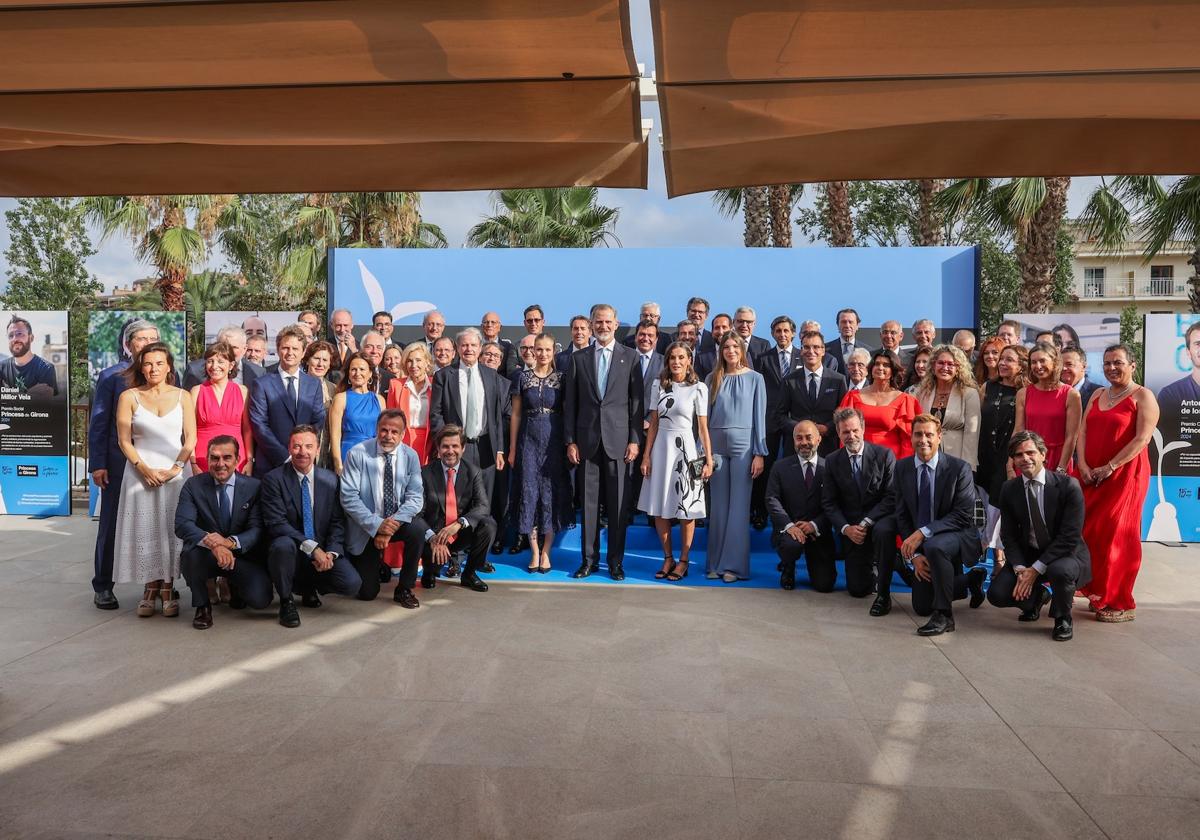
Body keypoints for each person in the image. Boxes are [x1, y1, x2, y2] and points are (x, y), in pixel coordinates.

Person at [881, 414, 986, 635]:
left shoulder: (959, 468)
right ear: (911, 437)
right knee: (921, 606)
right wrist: (914, 555)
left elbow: (962, 515)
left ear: (939, 437)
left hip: (956, 534)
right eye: (918, 434)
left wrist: (923, 533)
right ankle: (970, 580)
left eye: (929, 434)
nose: (923, 440)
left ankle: (944, 616)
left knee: (935, 546)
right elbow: (902, 514)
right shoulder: (902, 468)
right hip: (925, 543)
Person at [112, 342, 196, 618]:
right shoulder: (129, 396)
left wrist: (175, 469)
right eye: (148, 363)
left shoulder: (183, 396)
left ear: (169, 366)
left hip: (175, 474)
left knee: (171, 529)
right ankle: (150, 588)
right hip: (139, 474)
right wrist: (143, 469)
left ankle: (168, 587)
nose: (153, 368)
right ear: (141, 367)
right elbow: (124, 440)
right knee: (146, 530)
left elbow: (190, 439)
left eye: (159, 363)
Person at [1077, 344, 1158, 622]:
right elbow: (1082, 432)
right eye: (1107, 363)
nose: (1111, 368)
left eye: (1118, 363)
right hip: (1091, 475)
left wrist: (1111, 466)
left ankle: (1121, 601)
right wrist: (1083, 465)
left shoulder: (1143, 396)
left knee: (1118, 535)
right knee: (1092, 533)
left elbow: (1142, 439)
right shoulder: (1097, 394)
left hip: (1125, 476)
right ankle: (1100, 592)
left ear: (1132, 365)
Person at [564, 303, 644, 580]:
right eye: (598, 322)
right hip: (586, 443)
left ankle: (615, 562)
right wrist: (571, 441)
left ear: (616, 324)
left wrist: (635, 440)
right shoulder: (579, 358)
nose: (603, 326)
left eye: (608, 322)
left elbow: (636, 404)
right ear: (591, 324)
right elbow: (570, 404)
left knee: (618, 506)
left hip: (619, 443)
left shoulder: (630, 357)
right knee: (588, 507)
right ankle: (588, 561)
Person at [988, 431, 1091, 641]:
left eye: (1030, 452)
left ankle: (1063, 618)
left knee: (1059, 570)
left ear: (1043, 454)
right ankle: (1036, 599)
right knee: (997, 594)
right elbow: (1008, 535)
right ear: (1013, 460)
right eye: (1019, 455)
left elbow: (1069, 537)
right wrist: (1020, 569)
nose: (1025, 458)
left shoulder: (1068, 486)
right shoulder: (1009, 489)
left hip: (1065, 554)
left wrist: (1036, 569)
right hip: (1028, 555)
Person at [89, 318, 160, 610]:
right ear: (128, 344)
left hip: (156, 462)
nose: (147, 344)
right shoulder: (111, 376)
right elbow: (99, 422)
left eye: (153, 338)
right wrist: (98, 463)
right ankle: (103, 586)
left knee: (156, 524)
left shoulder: (169, 373)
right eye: (141, 339)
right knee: (110, 526)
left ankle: (156, 585)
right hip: (119, 464)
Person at [261, 425, 358, 626]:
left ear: (318, 449)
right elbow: (276, 524)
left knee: (352, 583)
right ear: (289, 448)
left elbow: (337, 522)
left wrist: (331, 553)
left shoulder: (330, 480)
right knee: (282, 545)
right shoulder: (273, 479)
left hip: (321, 551)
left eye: (308, 446)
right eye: (296, 446)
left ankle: (308, 586)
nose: (302, 452)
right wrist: (312, 548)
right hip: (291, 551)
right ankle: (286, 601)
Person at [176, 435, 273, 629]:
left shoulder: (254, 487)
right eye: (214, 458)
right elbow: (182, 524)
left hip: (240, 556)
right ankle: (202, 606)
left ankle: (234, 585)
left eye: (227, 457)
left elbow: (257, 529)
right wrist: (213, 544)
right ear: (207, 459)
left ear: (237, 460)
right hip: (206, 555)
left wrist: (229, 543)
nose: (220, 464)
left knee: (260, 600)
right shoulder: (193, 485)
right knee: (189, 555)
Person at [339, 410, 430, 608]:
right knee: (367, 593)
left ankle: (405, 588)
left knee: (418, 529)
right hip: (366, 527)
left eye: (394, 432)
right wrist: (378, 525)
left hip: (396, 522)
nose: (388, 436)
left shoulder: (410, 456)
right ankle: (378, 564)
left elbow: (415, 498)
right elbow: (348, 498)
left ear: (403, 434)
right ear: (376, 429)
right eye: (384, 430)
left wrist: (389, 527)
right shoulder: (357, 453)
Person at [638, 342, 712, 581]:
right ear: (667, 361)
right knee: (660, 506)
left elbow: (702, 428)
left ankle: (684, 560)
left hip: (687, 451)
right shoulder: (658, 385)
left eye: (681, 357)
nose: (676, 362)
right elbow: (654, 423)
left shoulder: (699, 387)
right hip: (661, 450)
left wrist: (708, 459)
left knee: (687, 507)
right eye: (672, 357)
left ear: (689, 361)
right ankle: (668, 557)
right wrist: (646, 455)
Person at [507, 333, 576, 573]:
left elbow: (567, 412)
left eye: (547, 350)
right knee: (529, 493)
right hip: (528, 441)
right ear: (532, 351)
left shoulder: (562, 378)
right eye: (539, 349)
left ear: (553, 351)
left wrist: (569, 443)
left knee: (550, 494)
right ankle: (534, 551)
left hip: (554, 442)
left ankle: (546, 552)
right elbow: (516, 414)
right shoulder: (522, 378)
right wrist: (513, 448)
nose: (543, 354)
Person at [706, 333, 767, 582]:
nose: (730, 350)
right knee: (718, 507)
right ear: (721, 351)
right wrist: (705, 453)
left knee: (739, 507)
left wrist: (759, 453)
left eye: (734, 346)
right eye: (726, 347)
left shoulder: (756, 379)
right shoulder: (712, 378)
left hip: (744, 446)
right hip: (716, 446)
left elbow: (760, 418)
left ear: (742, 350)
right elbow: (704, 419)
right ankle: (715, 563)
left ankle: (734, 567)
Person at [822, 408, 896, 601]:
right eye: (845, 432)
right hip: (852, 530)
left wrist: (867, 521)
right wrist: (846, 529)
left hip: (877, 523)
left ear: (863, 428)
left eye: (855, 430)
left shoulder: (884, 455)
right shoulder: (832, 461)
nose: (851, 436)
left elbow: (891, 497)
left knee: (883, 531)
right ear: (838, 433)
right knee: (858, 589)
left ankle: (892, 560)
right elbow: (829, 503)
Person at [417, 424, 495, 592]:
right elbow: (418, 514)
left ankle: (469, 574)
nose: (450, 451)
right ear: (438, 449)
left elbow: (483, 506)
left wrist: (459, 524)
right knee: (427, 554)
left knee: (489, 525)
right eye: (445, 446)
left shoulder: (473, 472)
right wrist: (433, 538)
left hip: (459, 533)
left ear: (463, 448)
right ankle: (429, 571)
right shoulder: (425, 473)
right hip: (433, 536)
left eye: (455, 446)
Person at [430, 327, 508, 498]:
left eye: (473, 345)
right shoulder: (444, 376)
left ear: (480, 348)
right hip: (456, 446)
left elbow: (496, 416)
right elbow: (436, 413)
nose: (469, 349)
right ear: (457, 348)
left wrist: (500, 449)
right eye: (464, 345)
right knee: (458, 498)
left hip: (486, 446)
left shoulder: (491, 376)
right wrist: (444, 443)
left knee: (484, 499)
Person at [248, 325, 326, 477]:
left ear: (303, 352)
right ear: (278, 350)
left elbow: (318, 419)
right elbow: (259, 425)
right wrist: (285, 457)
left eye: (295, 349)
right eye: (285, 348)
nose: (290, 353)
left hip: (304, 462)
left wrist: (301, 452)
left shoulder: (313, 384)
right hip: (270, 465)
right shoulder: (261, 384)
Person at [765, 421, 835, 591]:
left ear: (818, 439)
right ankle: (788, 566)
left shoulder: (830, 468)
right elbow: (771, 499)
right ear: (793, 441)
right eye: (799, 438)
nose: (804, 442)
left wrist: (814, 525)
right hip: (790, 529)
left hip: (818, 531)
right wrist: (790, 526)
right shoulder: (780, 467)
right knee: (791, 545)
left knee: (824, 585)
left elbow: (834, 503)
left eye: (809, 437)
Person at [977, 344, 1028, 564]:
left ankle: (999, 557)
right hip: (984, 454)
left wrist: (1011, 460)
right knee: (983, 503)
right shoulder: (987, 386)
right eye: (1002, 359)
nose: (1002, 363)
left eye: (1009, 360)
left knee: (999, 506)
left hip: (1007, 457)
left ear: (1021, 365)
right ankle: (984, 554)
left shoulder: (1025, 391)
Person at [753, 315, 803, 528]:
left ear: (793, 333)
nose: (782, 334)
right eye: (778, 331)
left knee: (793, 467)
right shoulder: (763, 358)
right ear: (772, 334)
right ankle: (760, 511)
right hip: (769, 420)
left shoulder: (803, 356)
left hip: (794, 420)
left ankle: (791, 513)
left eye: (786, 330)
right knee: (765, 467)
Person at [776, 330, 848, 456]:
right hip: (797, 449)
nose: (811, 351)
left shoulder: (838, 380)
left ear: (823, 350)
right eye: (806, 347)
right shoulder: (789, 380)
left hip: (828, 448)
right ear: (801, 350)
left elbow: (844, 413)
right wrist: (800, 428)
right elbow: (780, 415)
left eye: (816, 347)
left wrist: (827, 428)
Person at [840, 349, 920, 459]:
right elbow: (843, 432)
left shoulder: (905, 400)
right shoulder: (852, 397)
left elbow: (908, 441)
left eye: (886, 365)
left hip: (891, 461)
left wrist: (902, 465)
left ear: (893, 370)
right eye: (877, 364)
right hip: (858, 459)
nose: (880, 368)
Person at [1014, 341, 1081, 473]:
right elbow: (1018, 431)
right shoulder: (1023, 393)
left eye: (1042, 361)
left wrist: (1061, 468)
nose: (1038, 366)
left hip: (1058, 459)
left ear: (1055, 362)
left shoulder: (1071, 395)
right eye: (1033, 362)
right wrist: (1010, 462)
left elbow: (1071, 437)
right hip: (1028, 459)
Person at [189, 341, 252, 475]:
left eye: (220, 361)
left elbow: (247, 430)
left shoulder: (242, 391)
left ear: (231, 365)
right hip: (203, 458)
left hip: (236, 458)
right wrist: (193, 462)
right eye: (210, 361)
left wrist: (250, 460)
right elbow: (190, 431)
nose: (214, 366)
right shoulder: (196, 391)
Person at [914, 345, 981, 469]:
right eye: (941, 363)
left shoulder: (969, 394)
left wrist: (968, 466)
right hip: (926, 458)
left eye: (950, 364)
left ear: (958, 368)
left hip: (957, 459)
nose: (945, 368)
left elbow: (972, 434)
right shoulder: (922, 393)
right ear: (933, 365)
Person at [329, 353, 386, 474]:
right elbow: (335, 435)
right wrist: (338, 464)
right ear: (348, 374)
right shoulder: (341, 398)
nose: (357, 373)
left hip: (375, 455)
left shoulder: (380, 400)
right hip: (349, 453)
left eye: (362, 369)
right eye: (353, 369)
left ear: (370, 373)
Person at [386, 342, 434, 465]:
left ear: (427, 362)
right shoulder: (396, 385)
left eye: (418, 360)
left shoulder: (436, 385)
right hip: (402, 441)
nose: (414, 365)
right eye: (409, 361)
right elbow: (390, 419)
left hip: (430, 443)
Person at [1, 315, 58, 396]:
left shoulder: (45, 368)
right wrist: (28, 395)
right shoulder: (1, 368)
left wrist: (10, 395)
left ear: (31, 338)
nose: (15, 339)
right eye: (10, 335)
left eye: (19, 334)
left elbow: (44, 402)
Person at [826, 308, 869, 378]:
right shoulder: (825, 350)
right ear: (838, 325)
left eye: (851, 322)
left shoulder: (868, 351)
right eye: (843, 322)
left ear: (857, 325)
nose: (847, 325)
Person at [358, 330, 394, 395]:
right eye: (369, 347)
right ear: (361, 349)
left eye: (379, 347)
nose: (374, 351)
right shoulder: (350, 375)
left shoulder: (391, 379)